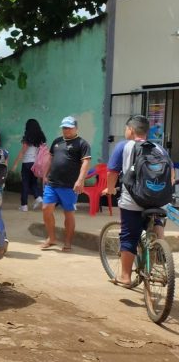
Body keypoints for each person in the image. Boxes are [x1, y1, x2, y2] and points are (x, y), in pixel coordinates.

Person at [104, 115, 173, 286]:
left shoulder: (123, 147)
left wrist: (111, 189)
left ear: (131, 130)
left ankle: (125, 276)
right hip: (158, 200)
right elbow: (170, 173)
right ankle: (159, 249)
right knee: (156, 220)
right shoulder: (159, 148)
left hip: (133, 200)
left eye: (126, 129)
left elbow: (112, 172)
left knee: (129, 236)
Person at [40, 116, 92, 252]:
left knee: (68, 213)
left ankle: (68, 242)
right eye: (64, 127)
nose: (66, 130)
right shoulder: (57, 142)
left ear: (76, 128)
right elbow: (50, 159)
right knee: (46, 209)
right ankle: (51, 238)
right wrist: (44, 174)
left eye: (69, 127)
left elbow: (86, 163)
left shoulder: (82, 144)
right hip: (52, 183)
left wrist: (80, 180)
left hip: (70, 186)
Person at [11, 119, 47, 212]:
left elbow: (22, 151)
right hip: (36, 164)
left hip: (27, 163)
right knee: (33, 183)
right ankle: (38, 198)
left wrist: (15, 164)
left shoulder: (27, 137)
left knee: (25, 184)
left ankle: (24, 205)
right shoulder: (41, 138)